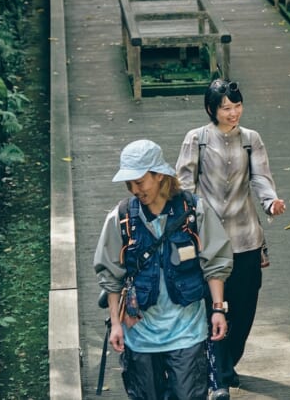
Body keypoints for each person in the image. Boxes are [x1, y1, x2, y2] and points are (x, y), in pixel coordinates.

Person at [93, 139, 233, 400]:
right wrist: (115, 324)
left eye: (140, 181)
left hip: (187, 332)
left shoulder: (194, 211)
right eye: (129, 183)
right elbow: (111, 277)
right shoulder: (120, 218)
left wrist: (217, 309)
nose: (135, 189)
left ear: (159, 176)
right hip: (140, 336)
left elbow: (215, 263)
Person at [176, 79, 286, 400]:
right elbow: (184, 185)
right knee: (215, 307)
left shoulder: (251, 139)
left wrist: (271, 202)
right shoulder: (196, 139)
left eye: (237, 106)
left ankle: (229, 359)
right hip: (209, 242)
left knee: (245, 305)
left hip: (246, 238)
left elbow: (261, 178)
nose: (233, 113)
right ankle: (218, 373)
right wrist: (193, 225)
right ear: (212, 109)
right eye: (226, 107)